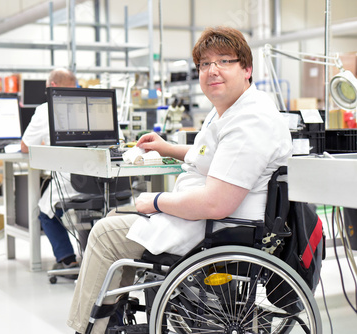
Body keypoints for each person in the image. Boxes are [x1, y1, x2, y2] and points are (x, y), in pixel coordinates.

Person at [67, 26, 293, 334]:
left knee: (105, 233)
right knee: (115, 216)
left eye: (224, 61)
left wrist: (157, 201)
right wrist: (166, 147)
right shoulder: (232, 110)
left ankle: (86, 328)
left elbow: (215, 203)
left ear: (247, 69)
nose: (213, 70)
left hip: (217, 227)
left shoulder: (250, 122)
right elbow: (210, 154)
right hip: (209, 218)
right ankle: (110, 313)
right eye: (204, 64)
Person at [21, 68, 80, 271]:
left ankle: (68, 259)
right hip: (101, 182)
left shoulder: (45, 109)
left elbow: (25, 147)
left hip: (70, 181)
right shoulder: (87, 106)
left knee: (45, 212)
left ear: (52, 86)